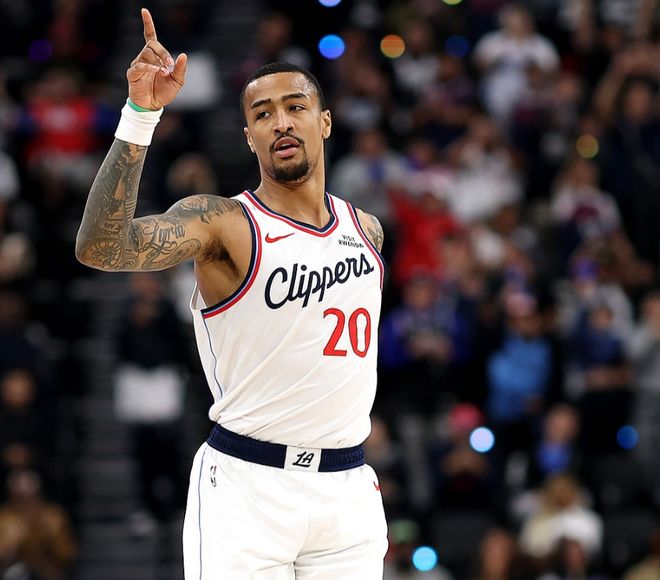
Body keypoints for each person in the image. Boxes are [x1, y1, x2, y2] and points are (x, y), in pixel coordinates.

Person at [75, 8, 388, 579]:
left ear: (325, 121)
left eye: (295, 107)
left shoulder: (366, 230)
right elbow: (100, 247)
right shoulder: (223, 224)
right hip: (249, 489)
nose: (280, 122)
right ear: (248, 137)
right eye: (262, 114)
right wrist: (140, 115)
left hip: (347, 493)